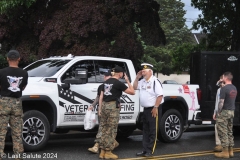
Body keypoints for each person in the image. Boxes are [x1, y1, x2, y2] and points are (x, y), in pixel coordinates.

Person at [98, 65, 135, 159]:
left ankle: (102, 152)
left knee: (104, 129)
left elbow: (101, 96)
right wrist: (127, 81)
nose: (123, 75)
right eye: (123, 73)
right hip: (112, 107)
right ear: (120, 74)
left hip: (104, 106)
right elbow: (132, 92)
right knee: (112, 130)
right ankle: (108, 152)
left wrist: (99, 109)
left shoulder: (106, 82)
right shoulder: (118, 83)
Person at [0, 50, 28, 160]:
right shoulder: (24, 73)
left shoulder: (1, 72)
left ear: (7, 59)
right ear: (19, 59)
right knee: (17, 133)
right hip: (17, 103)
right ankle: (18, 156)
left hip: (4, 103)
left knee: (1, 132)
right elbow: (23, 88)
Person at [133, 63, 163, 157]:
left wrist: (155, 107)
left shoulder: (155, 81)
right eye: (142, 70)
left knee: (152, 130)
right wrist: (137, 78)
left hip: (154, 109)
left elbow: (160, 95)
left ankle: (150, 150)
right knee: (145, 130)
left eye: (144, 71)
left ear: (150, 71)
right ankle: (144, 150)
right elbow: (134, 87)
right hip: (145, 109)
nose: (143, 72)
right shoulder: (142, 81)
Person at [88, 70, 119, 153]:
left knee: (110, 129)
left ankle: (103, 146)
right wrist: (93, 106)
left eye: (107, 76)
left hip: (112, 110)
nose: (105, 77)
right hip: (104, 109)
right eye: (105, 76)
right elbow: (99, 97)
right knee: (102, 128)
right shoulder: (102, 86)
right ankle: (101, 145)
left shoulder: (115, 84)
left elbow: (117, 97)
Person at [215, 72, 237, 158]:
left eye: (223, 77)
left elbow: (221, 102)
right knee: (229, 131)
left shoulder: (224, 89)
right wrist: (220, 82)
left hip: (224, 112)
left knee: (223, 131)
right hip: (232, 111)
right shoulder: (234, 88)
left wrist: (218, 112)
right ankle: (231, 151)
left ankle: (225, 152)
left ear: (225, 77)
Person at [213, 76, 224, 152]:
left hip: (224, 111)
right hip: (218, 112)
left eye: (222, 81)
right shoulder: (219, 90)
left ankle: (223, 145)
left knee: (224, 128)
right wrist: (215, 112)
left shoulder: (226, 90)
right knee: (217, 127)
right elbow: (217, 102)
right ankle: (218, 144)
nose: (220, 83)